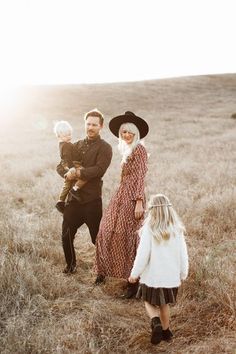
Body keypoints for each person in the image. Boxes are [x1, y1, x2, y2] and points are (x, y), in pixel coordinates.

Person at [94, 111, 149, 298]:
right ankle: (103, 270)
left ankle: (133, 283)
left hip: (133, 198)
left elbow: (140, 176)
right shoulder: (126, 149)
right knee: (106, 229)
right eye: (123, 131)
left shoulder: (139, 149)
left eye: (129, 132)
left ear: (136, 134)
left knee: (129, 237)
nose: (126, 135)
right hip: (121, 195)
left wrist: (139, 202)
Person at [128, 194, 189, 345]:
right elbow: (183, 254)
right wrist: (183, 272)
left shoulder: (149, 229)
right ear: (169, 210)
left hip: (152, 278)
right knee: (164, 304)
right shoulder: (177, 230)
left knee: (147, 301)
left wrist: (134, 274)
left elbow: (142, 255)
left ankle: (155, 322)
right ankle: (166, 332)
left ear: (152, 211)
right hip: (170, 278)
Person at [58, 109, 113, 274]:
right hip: (73, 200)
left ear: (101, 126)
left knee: (96, 238)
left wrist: (78, 173)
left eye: (94, 125)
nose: (90, 127)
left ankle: (102, 272)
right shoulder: (76, 145)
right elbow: (60, 165)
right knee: (66, 234)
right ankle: (71, 265)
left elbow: (99, 170)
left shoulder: (105, 148)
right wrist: (66, 173)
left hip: (92, 200)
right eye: (88, 124)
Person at [54, 120, 87, 213]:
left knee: (67, 183)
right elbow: (67, 157)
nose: (69, 137)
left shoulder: (62, 144)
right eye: (65, 135)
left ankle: (60, 201)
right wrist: (72, 167)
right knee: (85, 174)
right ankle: (75, 189)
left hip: (67, 164)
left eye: (69, 134)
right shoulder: (66, 145)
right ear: (59, 136)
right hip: (72, 164)